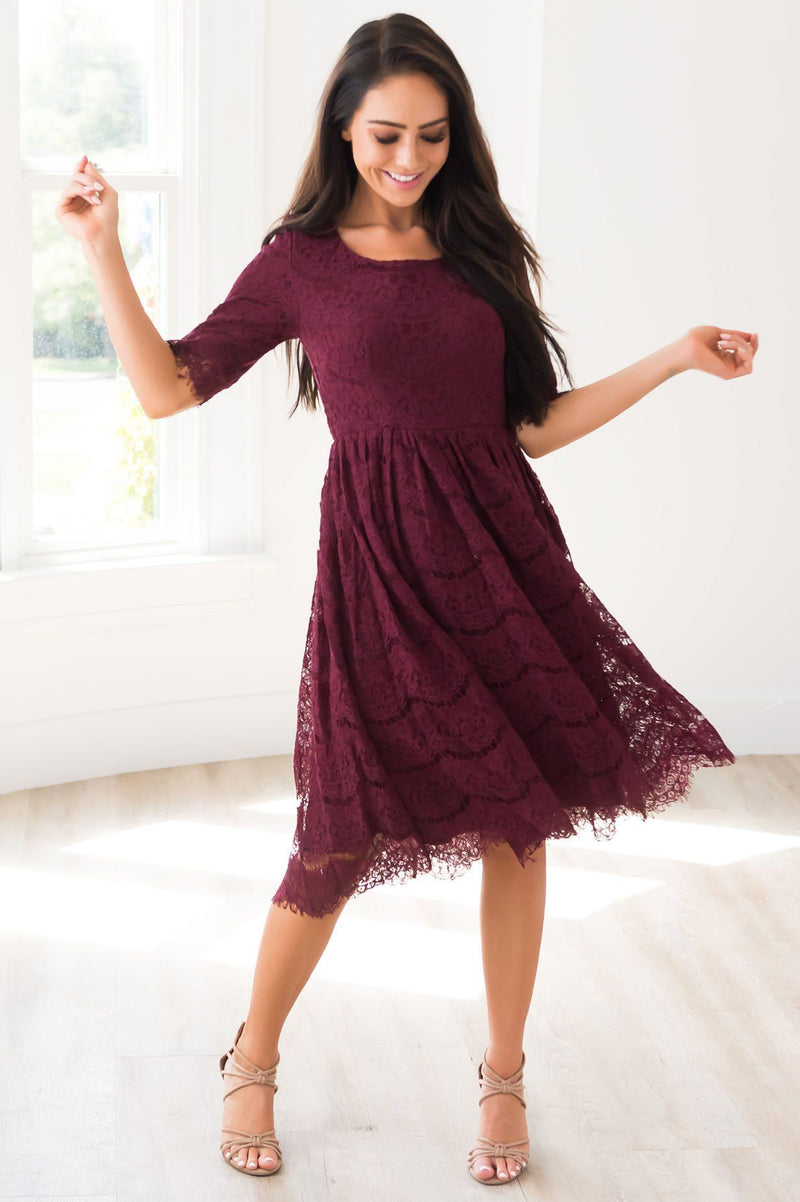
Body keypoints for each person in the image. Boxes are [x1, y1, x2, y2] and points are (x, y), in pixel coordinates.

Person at [56, 12, 755, 1187]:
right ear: (344, 124)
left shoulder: (480, 248)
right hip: (377, 576)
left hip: (500, 563)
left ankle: (501, 1075)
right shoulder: (299, 262)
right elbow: (169, 389)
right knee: (337, 829)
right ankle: (253, 1052)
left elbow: (526, 427)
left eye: (432, 136)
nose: (409, 157)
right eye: (387, 133)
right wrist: (101, 250)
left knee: (519, 820)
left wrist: (673, 357)